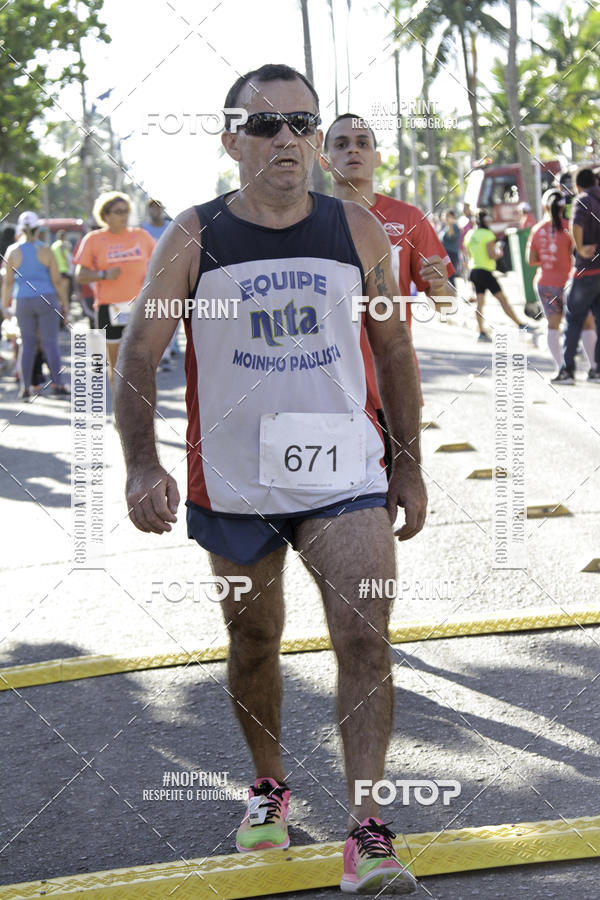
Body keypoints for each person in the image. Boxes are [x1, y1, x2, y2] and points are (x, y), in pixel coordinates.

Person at [114, 63, 428, 895]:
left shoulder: (356, 231)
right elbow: (139, 355)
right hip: (237, 483)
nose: (286, 139)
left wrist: (407, 461)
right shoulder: (196, 235)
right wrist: (142, 462)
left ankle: (368, 828)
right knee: (254, 642)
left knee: (364, 637)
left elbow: (393, 349)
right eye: (265, 126)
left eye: (302, 125)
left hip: (345, 474)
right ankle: (269, 787)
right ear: (230, 142)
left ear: (318, 142)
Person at [73, 192, 155, 388]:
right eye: (118, 212)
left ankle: (142, 413)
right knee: (117, 364)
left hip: (139, 306)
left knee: (142, 362)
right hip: (109, 308)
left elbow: (161, 263)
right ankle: (121, 415)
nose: (124, 216)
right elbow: (81, 275)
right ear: (106, 215)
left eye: (126, 211)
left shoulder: (141, 236)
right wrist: (104, 275)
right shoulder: (94, 239)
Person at [526, 188, 596, 376]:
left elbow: (531, 260)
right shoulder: (569, 228)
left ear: (545, 206)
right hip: (570, 283)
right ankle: (594, 367)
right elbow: (579, 252)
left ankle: (561, 368)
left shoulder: (537, 229)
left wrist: (548, 259)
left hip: (545, 283)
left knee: (552, 325)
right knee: (587, 323)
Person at [1, 211, 69, 401]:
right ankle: (58, 384)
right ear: (38, 228)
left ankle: (25, 387)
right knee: (50, 343)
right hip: (46, 299)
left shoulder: (12, 251)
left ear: (20, 229)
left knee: (27, 345)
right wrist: (65, 303)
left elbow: (7, 282)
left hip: (22, 301)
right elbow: (57, 280)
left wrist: (4, 307)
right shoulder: (46, 250)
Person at [552, 168, 600, 384]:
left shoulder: (582, 199)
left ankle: (567, 370)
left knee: (573, 320)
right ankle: (596, 369)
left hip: (585, 271)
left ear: (578, 185)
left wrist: (580, 248)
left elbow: (576, 225)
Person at [464, 209, 533, 341]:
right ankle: (520, 325)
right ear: (485, 221)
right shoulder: (488, 234)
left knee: (480, 303)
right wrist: (499, 251)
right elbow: (491, 255)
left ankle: (481, 332)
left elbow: (467, 256)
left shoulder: (469, 235)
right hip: (485, 271)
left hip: (474, 271)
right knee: (503, 300)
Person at [142, 199, 180, 370]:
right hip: (148, 278)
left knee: (171, 312)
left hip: (171, 276)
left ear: (162, 209)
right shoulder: (143, 230)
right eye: (151, 208)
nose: (154, 211)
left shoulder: (171, 227)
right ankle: (157, 350)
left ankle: (169, 348)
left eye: (157, 207)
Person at [439, 209, 460, 284]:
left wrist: (450, 224)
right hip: (446, 254)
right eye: (445, 215)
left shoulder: (454, 226)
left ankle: (452, 295)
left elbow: (451, 236)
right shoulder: (445, 227)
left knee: (450, 276)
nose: (445, 217)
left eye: (448, 215)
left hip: (451, 254)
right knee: (446, 277)